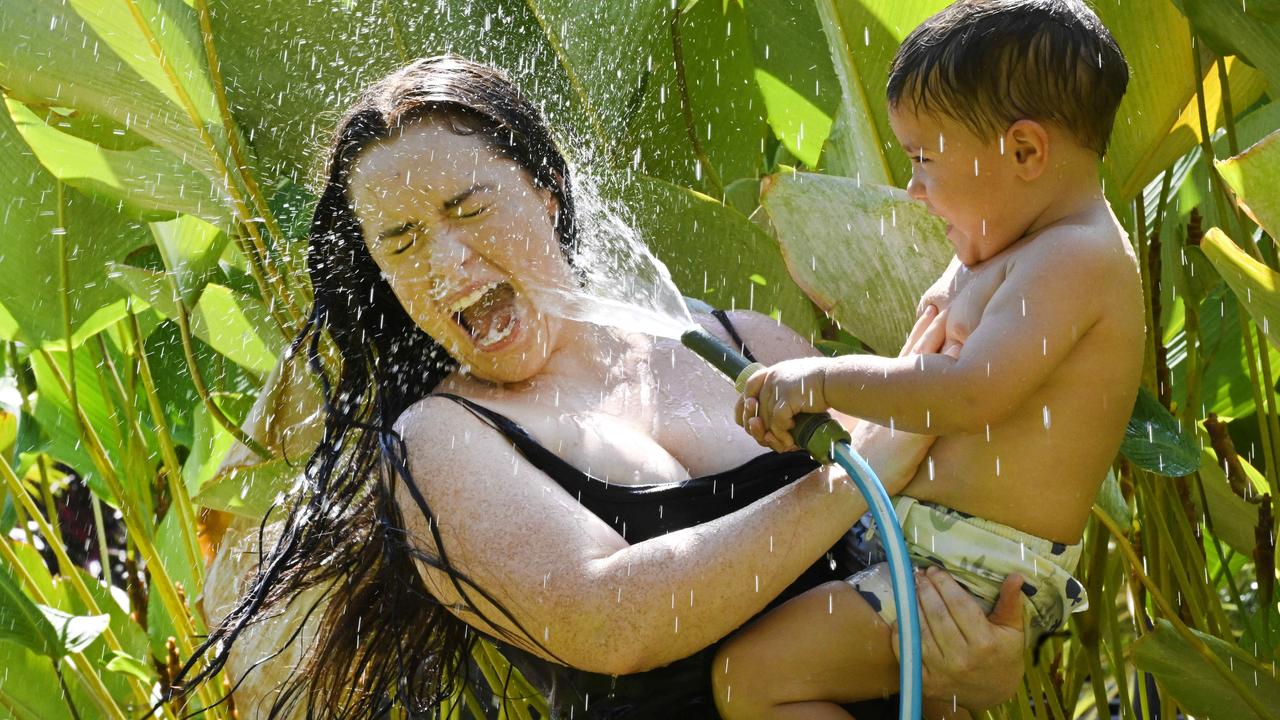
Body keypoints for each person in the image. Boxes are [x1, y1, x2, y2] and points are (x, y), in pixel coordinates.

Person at [184, 56, 1030, 719]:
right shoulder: (440, 441)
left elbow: (911, 566)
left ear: (547, 194)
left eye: (468, 209)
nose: (444, 265)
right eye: (402, 242)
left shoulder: (747, 343)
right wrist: (866, 468)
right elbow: (614, 617)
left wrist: (981, 663)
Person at [715, 1, 1143, 718]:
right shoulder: (1000, 246)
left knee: (749, 677)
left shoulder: (1078, 259)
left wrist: (817, 377)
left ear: (1026, 152)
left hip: (972, 571)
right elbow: (917, 382)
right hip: (928, 548)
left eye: (924, 159)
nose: (913, 187)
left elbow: (969, 393)